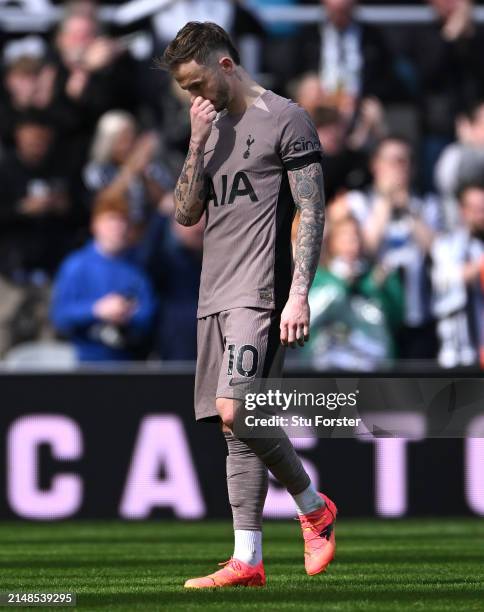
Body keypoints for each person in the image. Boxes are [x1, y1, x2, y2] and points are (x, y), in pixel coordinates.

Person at [161, 21, 336, 588]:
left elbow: (311, 210)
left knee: (240, 412)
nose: (194, 96)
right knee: (233, 428)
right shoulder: (207, 128)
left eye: (196, 83)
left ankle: (313, 506)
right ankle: (248, 558)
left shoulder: (286, 118)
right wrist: (193, 141)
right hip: (213, 293)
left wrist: (299, 294)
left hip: (260, 293)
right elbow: (186, 214)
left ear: (225, 65)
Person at [50, 191, 157, 361]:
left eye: (123, 221)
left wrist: (127, 313)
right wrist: (96, 310)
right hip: (86, 362)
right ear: (95, 224)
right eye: (111, 219)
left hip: (129, 363)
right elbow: (60, 316)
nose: (118, 227)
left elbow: (149, 312)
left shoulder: (137, 268)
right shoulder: (76, 265)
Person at [300, 215, 403, 370]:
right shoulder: (318, 277)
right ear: (331, 242)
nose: (352, 244)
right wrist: (341, 284)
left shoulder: (375, 275)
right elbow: (309, 319)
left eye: (356, 237)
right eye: (345, 238)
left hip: (372, 363)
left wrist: (379, 288)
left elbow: (398, 317)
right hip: (329, 365)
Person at [431, 182, 484, 369]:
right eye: (476, 209)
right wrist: (479, 266)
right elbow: (448, 279)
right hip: (457, 351)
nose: (481, 216)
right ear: (463, 210)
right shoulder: (446, 245)